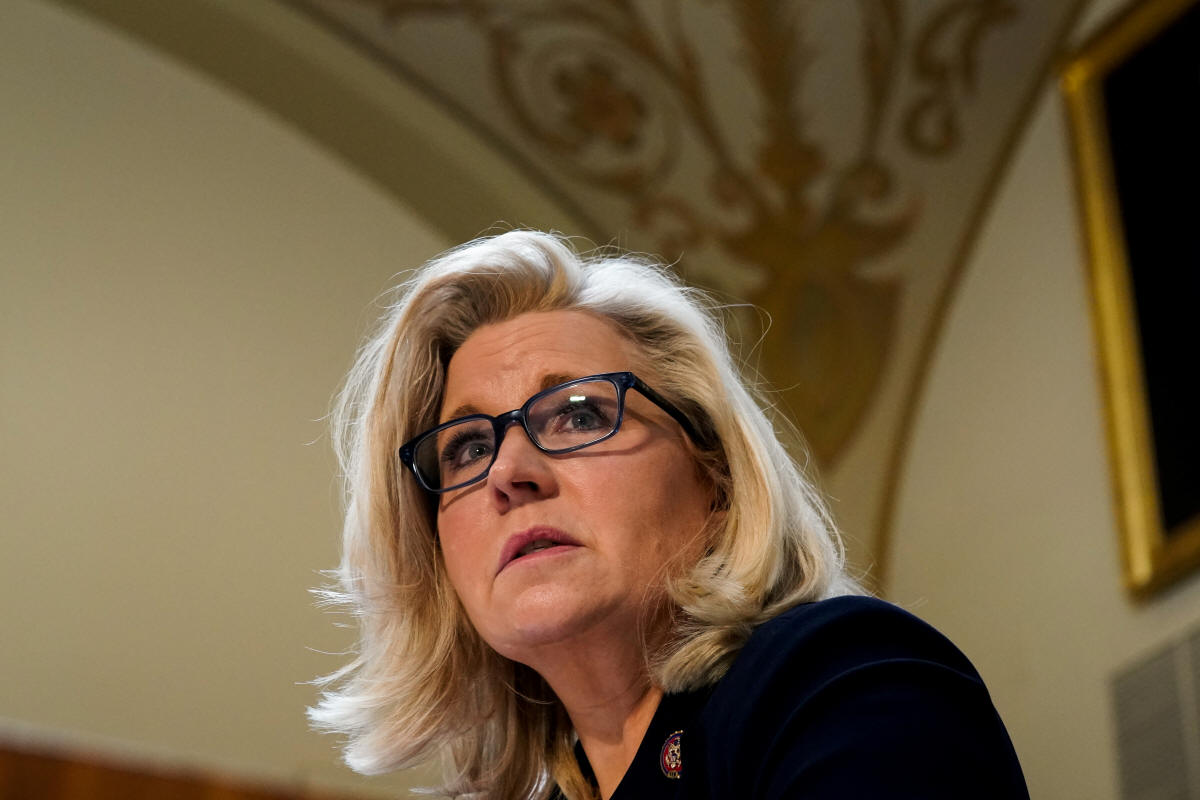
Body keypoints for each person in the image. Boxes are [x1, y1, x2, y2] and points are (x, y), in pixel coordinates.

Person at [309, 230, 1028, 799]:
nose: (509, 473)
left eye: (578, 414)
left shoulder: (836, 678)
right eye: (467, 448)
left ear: (716, 474)